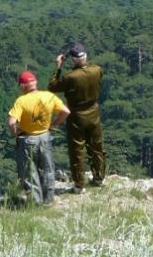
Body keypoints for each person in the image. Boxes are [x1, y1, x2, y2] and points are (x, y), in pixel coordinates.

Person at [48, 43, 105, 194]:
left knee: (77, 150)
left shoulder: (71, 77)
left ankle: (79, 185)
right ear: (85, 56)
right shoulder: (97, 70)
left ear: (73, 60)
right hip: (93, 111)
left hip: (76, 115)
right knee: (96, 147)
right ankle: (99, 178)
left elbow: (52, 86)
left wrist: (59, 66)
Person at [7, 71, 70, 206]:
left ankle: (36, 202)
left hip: (28, 139)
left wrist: (15, 133)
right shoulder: (49, 96)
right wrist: (55, 124)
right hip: (45, 136)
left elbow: (12, 122)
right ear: (35, 82)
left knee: (30, 172)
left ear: (23, 86)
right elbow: (66, 111)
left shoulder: (21, 101)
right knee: (48, 168)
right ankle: (48, 200)